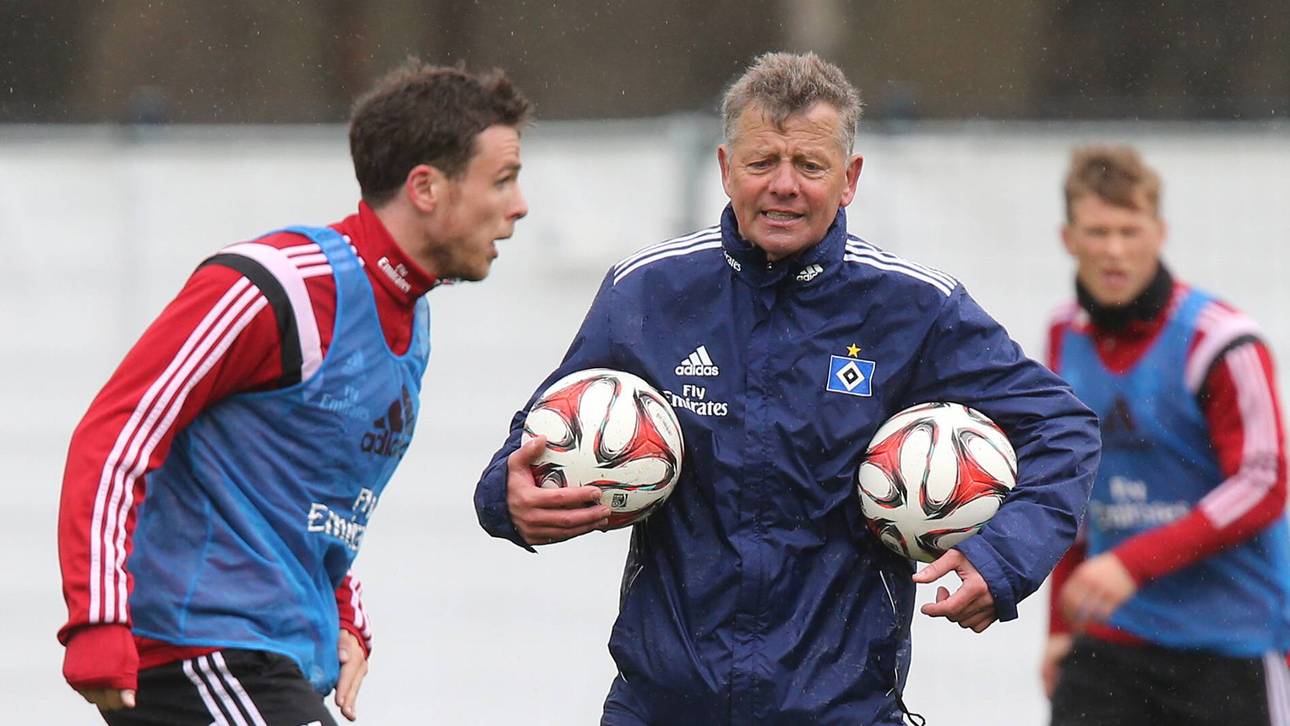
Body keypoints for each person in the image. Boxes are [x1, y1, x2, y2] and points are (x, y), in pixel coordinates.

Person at [474, 51, 1100, 725]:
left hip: (839, 709)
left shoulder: (914, 309)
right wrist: (508, 500)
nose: (784, 186)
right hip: (662, 706)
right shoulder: (650, 291)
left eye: (809, 165)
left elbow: (1063, 428)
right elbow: (533, 439)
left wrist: (1003, 558)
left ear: (850, 178)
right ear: (723, 168)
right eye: (761, 162)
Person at [57, 59, 531, 725]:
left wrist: (343, 613)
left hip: (268, 658)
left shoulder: (410, 318)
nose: (519, 205)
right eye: (503, 180)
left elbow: (312, 497)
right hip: (200, 650)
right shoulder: (277, 286)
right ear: (426, 187)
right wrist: (97, 618)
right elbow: (117, 435)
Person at [1043, 146, 1290, 725]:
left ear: (1160, 233)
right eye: (1097, 231)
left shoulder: (1220, 342)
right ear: (1068, 238)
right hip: (1113, 639)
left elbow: (1265, 481)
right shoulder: (1063, 335)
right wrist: (1058, 627)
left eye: (1130, 230)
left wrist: (1132, 563)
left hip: (1233, 644)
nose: (1114, 251)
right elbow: (1069, 488)